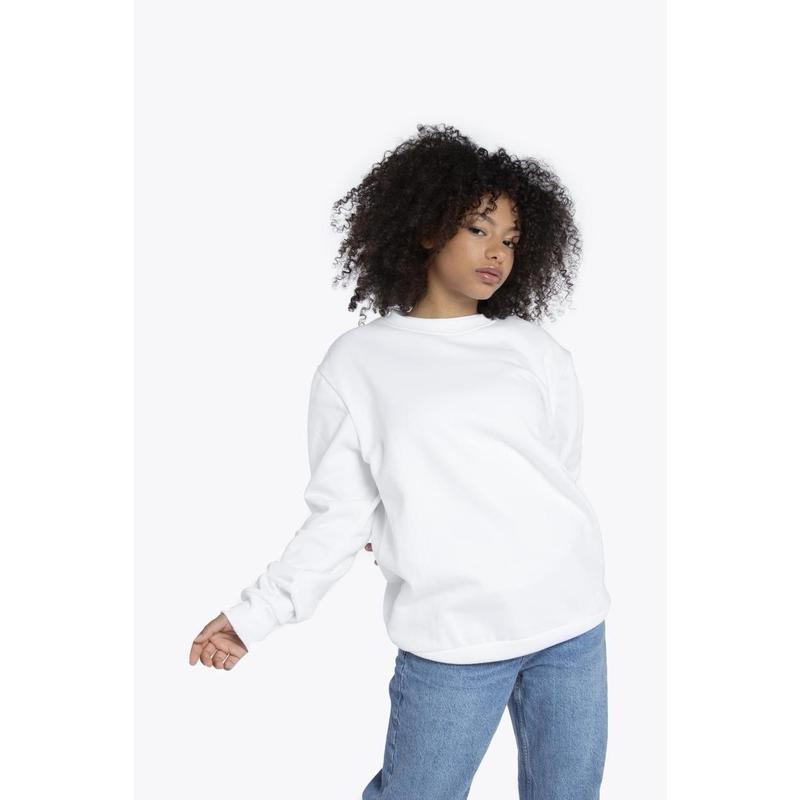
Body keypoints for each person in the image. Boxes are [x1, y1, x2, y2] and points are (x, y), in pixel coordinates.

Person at [189, 123, 611, 799]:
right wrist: (254, 616)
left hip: (570, 622)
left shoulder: (534, 350)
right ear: (426, 228)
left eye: (510, 239)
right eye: (478, 229)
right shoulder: (358, 363)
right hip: (452, 638)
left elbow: (557, 469)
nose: (496, 252)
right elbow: (339, 516)